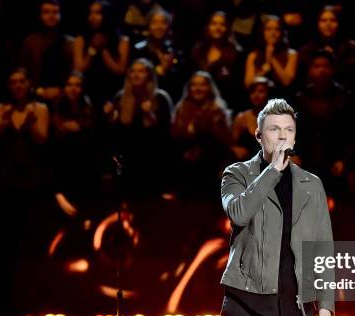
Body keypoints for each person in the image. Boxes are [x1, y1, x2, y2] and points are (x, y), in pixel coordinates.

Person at [219, 98, 334, 316]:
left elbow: (322, 246)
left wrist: (325, 303)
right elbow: (239, 213)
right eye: (274, 129)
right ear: (259, 136)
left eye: (288, 130)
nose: (282, 136)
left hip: (296, 308)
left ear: (295, 138)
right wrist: (271, 172)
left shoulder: (312, 184)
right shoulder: (237, 174)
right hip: (247, 302)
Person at [294, 50, 355, 196]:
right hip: (306, 160)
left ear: (332, 69)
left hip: (334, 160)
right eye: (317, 66)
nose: (321, 70)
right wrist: (293, 154)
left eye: (326, 66)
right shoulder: (300, 98)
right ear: (310, 70)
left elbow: (351, 133)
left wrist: (344, 160)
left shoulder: (344, 98)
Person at [106, 58, 173, 195]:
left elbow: (166, 134)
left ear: (149, 75)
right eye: (133, 71)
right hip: (127, 161)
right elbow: (116, 135)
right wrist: (110, 118)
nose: (136, 75)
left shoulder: (160, 98)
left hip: (152, 162)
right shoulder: (120, 98)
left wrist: (150, 115)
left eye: (141, 71)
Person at [171, 71, 232, 196]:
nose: (198, 89)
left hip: (210, 167)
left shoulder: (218, 110)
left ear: (209, 88)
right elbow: (174, 137)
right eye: (194, 85)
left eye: (202, 85)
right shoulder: (181, 109)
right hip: (185, 169)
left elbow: (223, 142)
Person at [0, 68, 50, 191]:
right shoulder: (0, 108)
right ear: (9, 86)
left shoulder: (40, 108)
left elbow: (42, 141)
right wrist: (2, 123)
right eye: (13, 82)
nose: (18, 86)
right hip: (6, 172)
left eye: (22, 81)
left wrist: (31, 124)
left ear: (29, 83)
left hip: (34, 171)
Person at [51, 71, 96, 214]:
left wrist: (78, 126)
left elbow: (85, 128)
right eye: (69, 84)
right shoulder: (57, 104)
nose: (73, 88)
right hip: (61, 158)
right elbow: (59, 128)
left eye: (77, 85)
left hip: (82, 160)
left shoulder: (88, 105)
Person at [73, 0, 130, 111]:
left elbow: (120, 69)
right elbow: (78, 70)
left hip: (113, 90)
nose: (92, 17)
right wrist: (92, 50)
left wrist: (103, 49)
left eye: (97, 13)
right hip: (87, 91)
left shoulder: (122, 40)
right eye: (90, 13)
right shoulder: (81, 39)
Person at [19, 0, 74, 103]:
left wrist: (61, 90)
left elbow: (74, 73)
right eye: (46, 12)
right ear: (40, 15)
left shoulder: (70, 43)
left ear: (60, 15)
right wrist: (37, 90)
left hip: (65, 99)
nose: (51, 16)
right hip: (34, 97)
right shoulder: (30, 42)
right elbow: (23, 71)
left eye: (55, 12)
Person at [191, 11, 243, 109]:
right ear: (208, 27)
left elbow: (237, 87)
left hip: (225, 103)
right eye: (214, 24)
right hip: (199, 103)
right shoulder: (199, 50)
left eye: (222, 24)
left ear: (227, 28)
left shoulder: (236, 53)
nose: (217, 28)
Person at [132, 6, 185, 101]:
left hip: (171, 96)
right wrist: (155, 71)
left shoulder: (173, 49)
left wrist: (168, 69)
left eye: (163, 23)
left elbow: (181, 76)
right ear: (148, 26)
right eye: (154, 23)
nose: (159, 27)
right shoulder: (139, 50)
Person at [244, 15, 298, 93]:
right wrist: (263, 71)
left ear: (282, 32)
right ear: (263, 32)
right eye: (268, 29)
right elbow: (248, 84)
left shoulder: (291, 55)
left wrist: (272, 58)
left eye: (277, 29)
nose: (273, 33)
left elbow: (287, 81)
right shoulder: (253, 55)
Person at [231, 76, 272, 161]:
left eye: (261, 91)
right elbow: (232, 144)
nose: (256, 95)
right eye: (253, 92)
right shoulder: (242, 118)